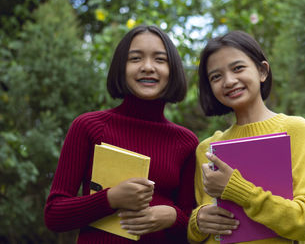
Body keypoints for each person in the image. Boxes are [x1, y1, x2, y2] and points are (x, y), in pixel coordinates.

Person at [45, 25, 198, 244]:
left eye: (160, 60)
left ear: (172, 70)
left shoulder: (186, 142)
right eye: (135, 59)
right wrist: (109, 198)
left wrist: (174, 217)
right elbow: (54, 215)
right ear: (121, 67)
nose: (147, 67)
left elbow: (194, 227)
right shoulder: (88, 127)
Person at [187, 31, 305, 244]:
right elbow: (202, 234)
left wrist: (237, 190)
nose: (229, 81)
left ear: (262, 71)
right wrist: (197, 223)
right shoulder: (207, 148)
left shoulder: (295, 130)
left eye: (238, 68)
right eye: (216, 76)